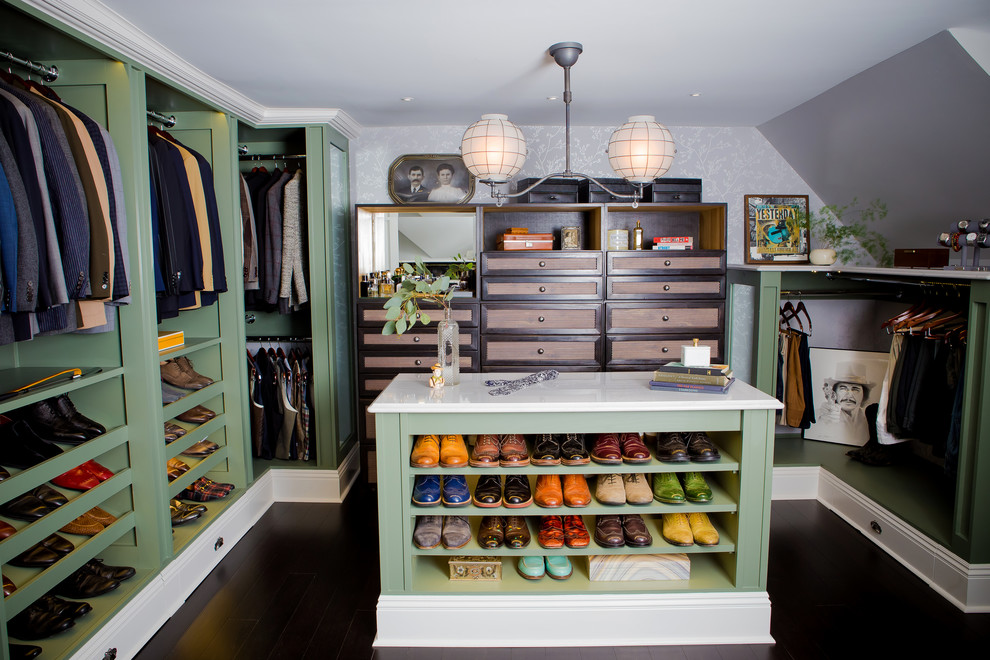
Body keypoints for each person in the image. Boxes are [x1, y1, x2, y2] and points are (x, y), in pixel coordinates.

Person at [812, 362, 874, 445]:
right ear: (835, 392)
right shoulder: (819, 416)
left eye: (855, 389)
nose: (849, 394)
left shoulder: (869, 419)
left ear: (864, 395)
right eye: (843, 388)